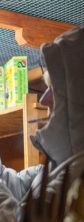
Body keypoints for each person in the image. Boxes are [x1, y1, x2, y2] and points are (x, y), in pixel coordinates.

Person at [27, 26, 84, 198]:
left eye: (55, 90)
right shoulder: (57, 170)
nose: (43, 100)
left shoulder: (72, 187)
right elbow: (8, 187)